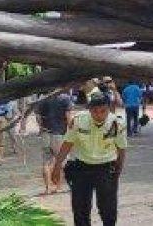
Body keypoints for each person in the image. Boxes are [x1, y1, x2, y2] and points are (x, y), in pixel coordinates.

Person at [51, 92, 127, 226]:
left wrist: (118, 172)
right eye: (95, 111)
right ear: (89, 109)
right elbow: (67, 144)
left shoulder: (116, 123)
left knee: (108, 210)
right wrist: (57, 166)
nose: (99, 115)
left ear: (108, 109)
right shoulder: (79, 121)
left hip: (106, 167)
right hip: (81, 168)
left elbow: (121, 149)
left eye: (103, 111)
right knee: (80, 210)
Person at [37, 89, 74, 194]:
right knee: (61, 160)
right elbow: (69, 118)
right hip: (59, 134)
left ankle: (48, 187)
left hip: (45, 133)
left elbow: (38, 117)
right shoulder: (65, 98)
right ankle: (58, 186)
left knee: (46, 162)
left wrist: (42, 128)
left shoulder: (42, 99)